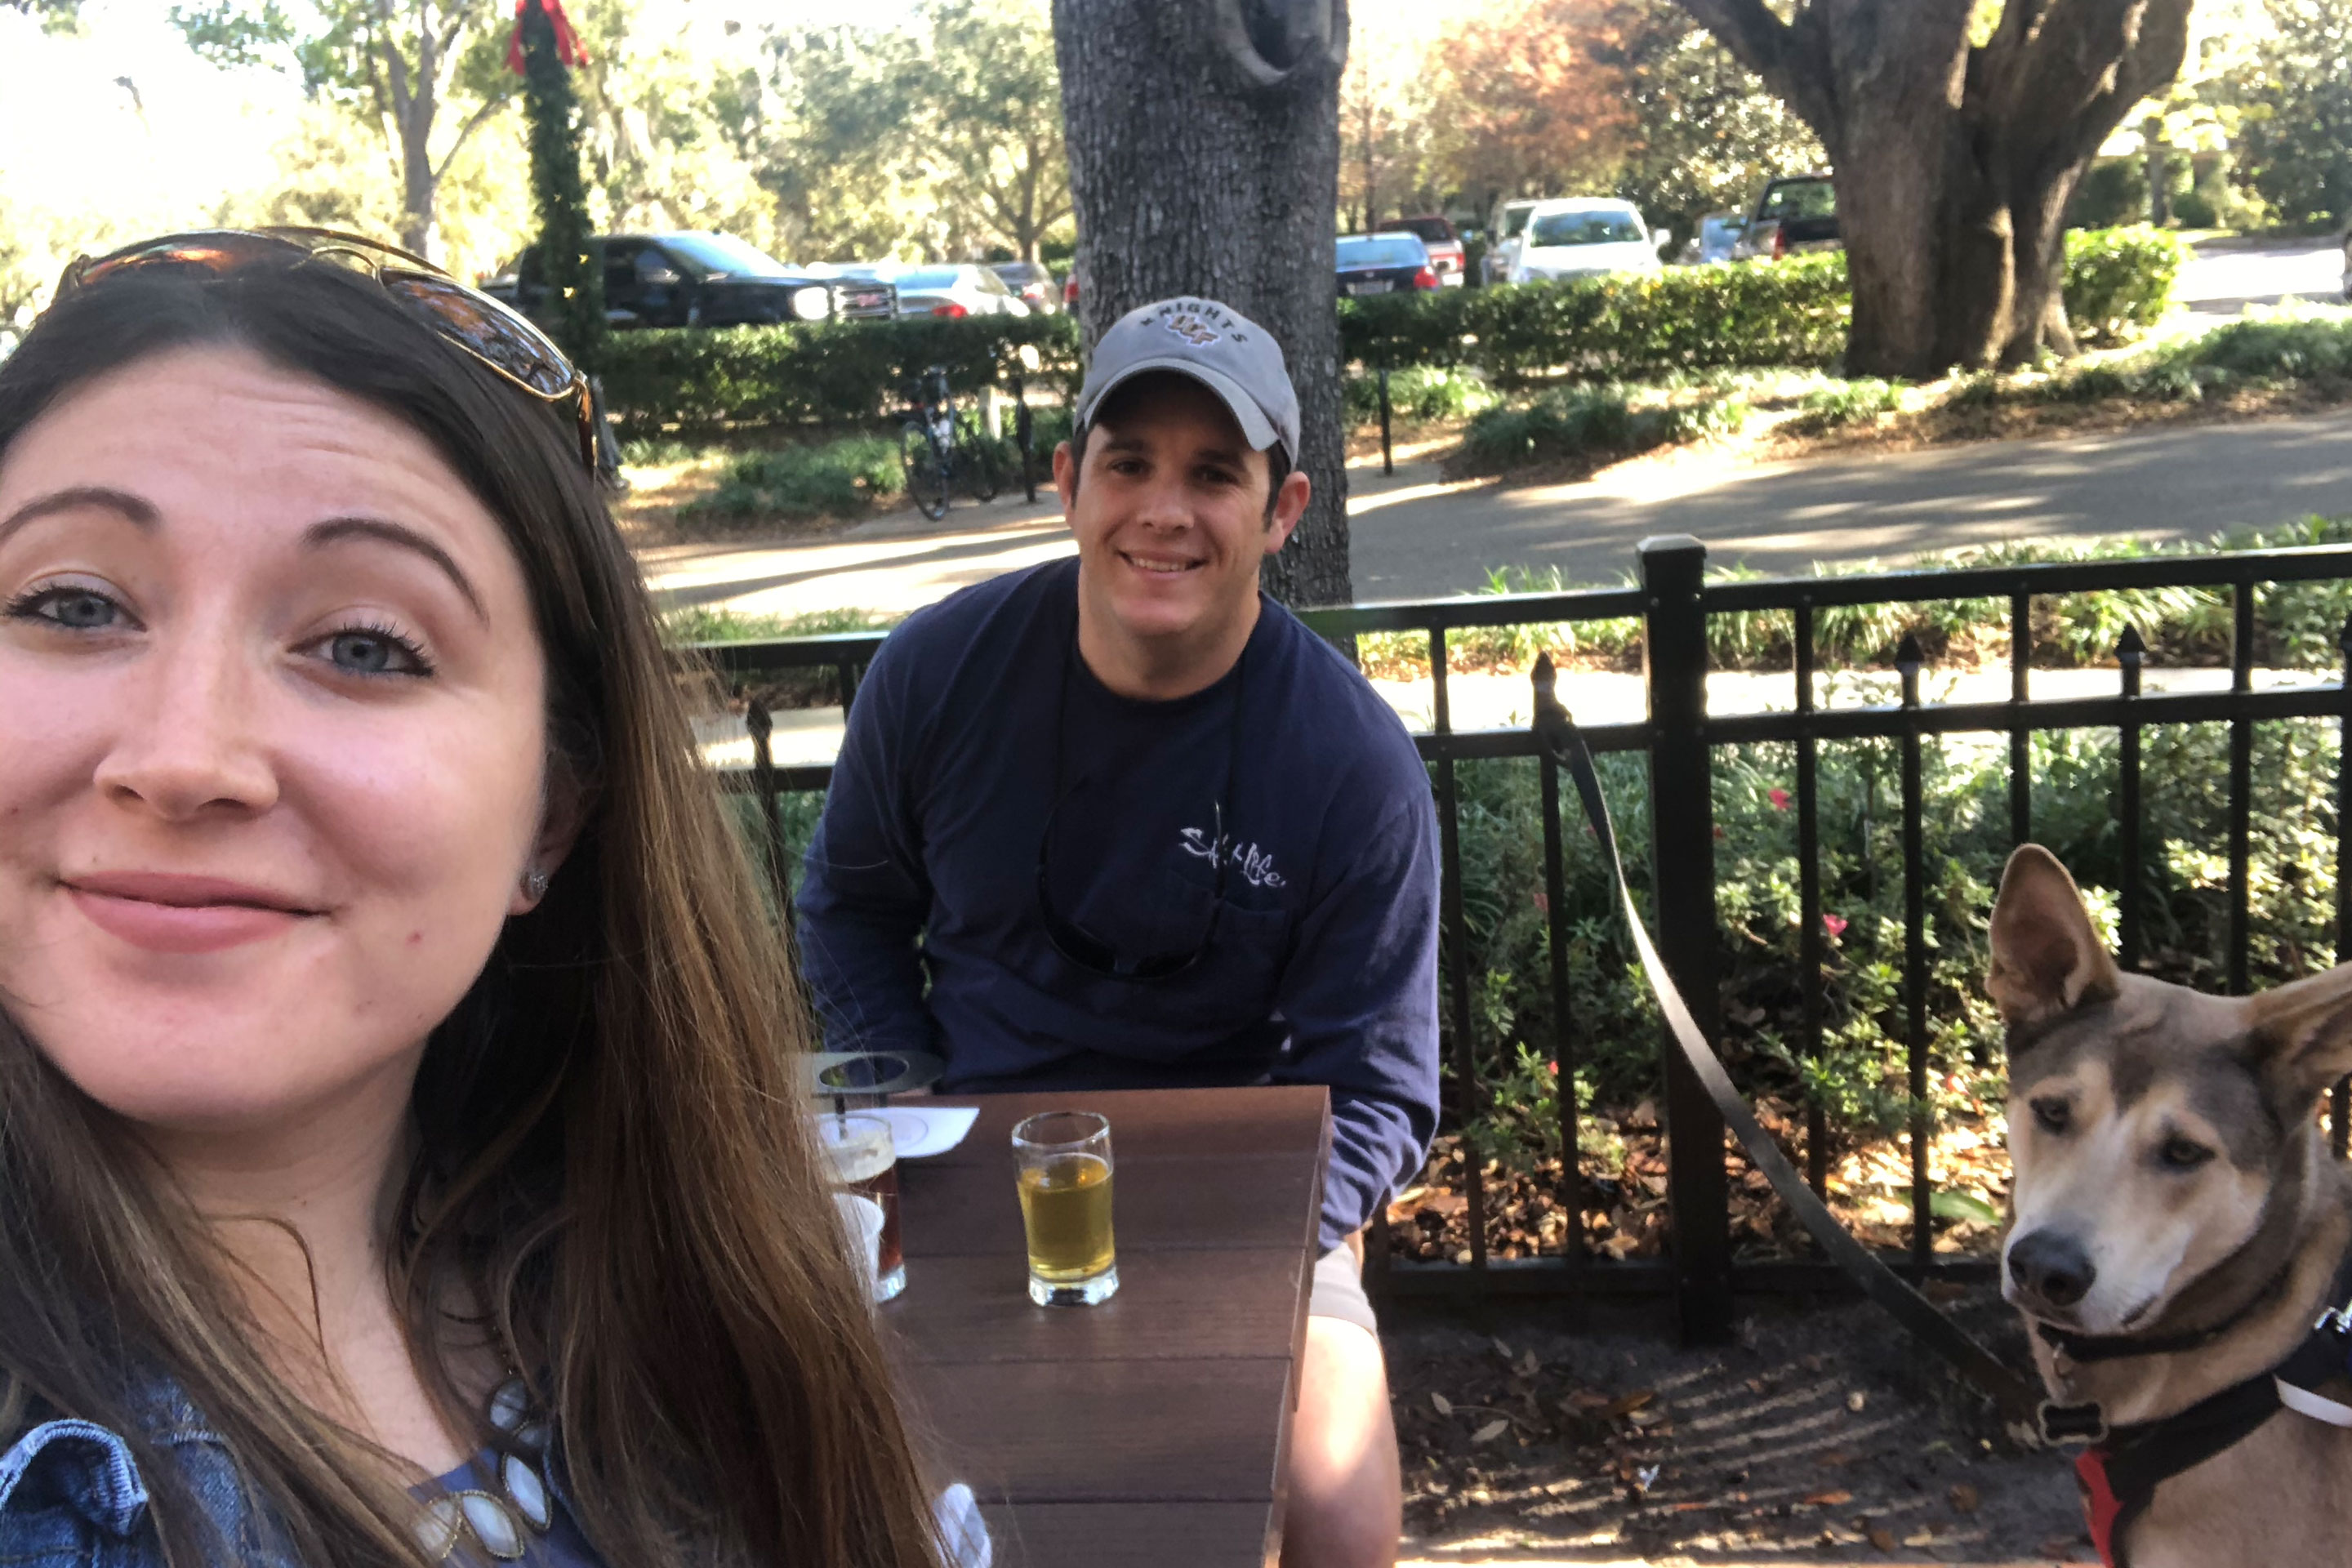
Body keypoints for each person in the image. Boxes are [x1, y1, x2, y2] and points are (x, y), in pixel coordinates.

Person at [0, 232, 961, 1568]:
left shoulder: (702, 1313)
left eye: (362, 646)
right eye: (73, 604)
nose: (182, 759)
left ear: (553, 810)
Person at [798, 296, 1441, 1568]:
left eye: (1215, 474)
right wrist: (916, 1113)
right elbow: (847, 909)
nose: (1164, 509)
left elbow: (1381, 1091)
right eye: (1128, 461)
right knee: (828, 1466)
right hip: (965, 1167)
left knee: (1338, 1506)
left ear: (1283, 511)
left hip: (1246, 1214)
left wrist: (1237, 1244)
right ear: (1068, 482)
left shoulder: (1351, 761)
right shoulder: (935, 674)